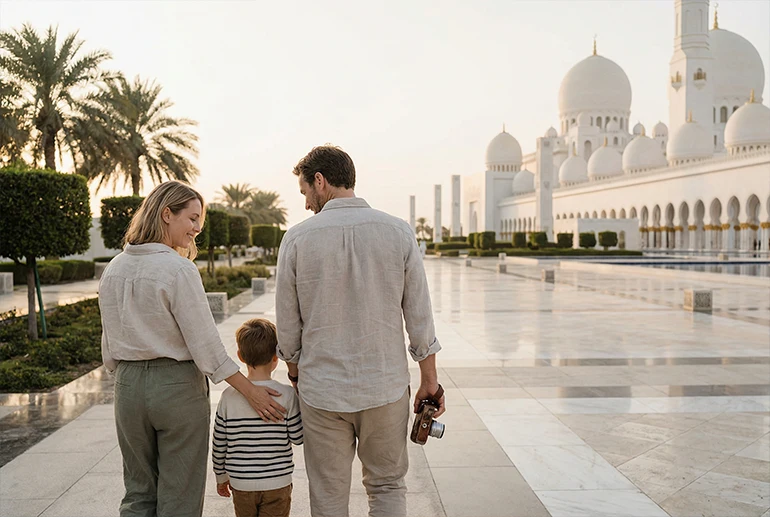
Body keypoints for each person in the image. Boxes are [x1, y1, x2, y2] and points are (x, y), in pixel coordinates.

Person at [99, 181, 287, 517]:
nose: (198, 228)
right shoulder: (178, 269)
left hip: (127, 386)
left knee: (138, 492)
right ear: (166, 214)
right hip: (176, 388)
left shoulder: (114, 269)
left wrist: (128, 374)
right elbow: (206, 345)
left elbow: (109, 341)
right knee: (180, 494)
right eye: (193, 218)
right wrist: (251, 392)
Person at [275, 145, 445, 517]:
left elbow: (287, 327)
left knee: (328, 496)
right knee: (386, 487)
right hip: (384, 387)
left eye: (304, 192)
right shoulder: (398, 232)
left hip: (323, 392)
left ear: (320, 181)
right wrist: (429, 382)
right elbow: (419, 316)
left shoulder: (297, 239)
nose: (305, 203)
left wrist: (295, 372)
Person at [213, 318, 303, 517]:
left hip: (241, 483)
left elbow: (220, 442)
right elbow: (298, 437)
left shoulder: (228, 397)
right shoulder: (286, 395)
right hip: (277, 482)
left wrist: (221, 476)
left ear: (240, 356)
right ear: (275, 358)